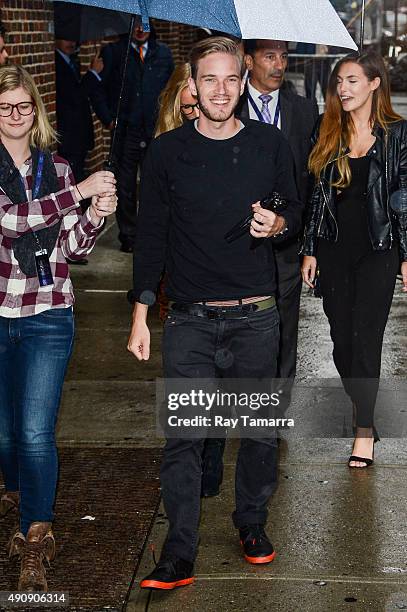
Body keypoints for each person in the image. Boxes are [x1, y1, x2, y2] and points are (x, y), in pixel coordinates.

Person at [128, 37, 302, 590]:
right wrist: (140, 313)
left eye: (231, 79)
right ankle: (179, 552)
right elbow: (150, 236)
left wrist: (276, 226)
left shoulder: (270, 145)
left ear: (241, 81)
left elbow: (294, 209)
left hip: (256, 315)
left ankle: (251, 522)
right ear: (193, 86)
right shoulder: (166, 153)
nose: (221, 90)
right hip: (190, 320)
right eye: (210, 80)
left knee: (257, 432)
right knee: (184, 436)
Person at [0, 64, 116, 591]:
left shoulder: (61, 169)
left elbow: (72, 248)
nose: (16, 115)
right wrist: (80, 194)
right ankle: (16, 491)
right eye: (5, 106)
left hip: (48, 313)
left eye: (24, 105)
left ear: (37, 112)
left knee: (34, 432)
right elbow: (12, 220)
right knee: (5, 434)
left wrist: (97, 213)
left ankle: (34, 537)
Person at [301, 51, 407, 468]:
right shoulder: (327, 129)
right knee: (342, 344)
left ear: (374, 84)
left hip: (378, 250)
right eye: (338, 82)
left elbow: (403, 198)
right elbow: (315, 196)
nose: (342, 89)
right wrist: (309, 246)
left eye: (351, 80)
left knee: (367, 341)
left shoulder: (398, 134)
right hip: (334, 249)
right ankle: (362, 405)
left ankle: (364, 429)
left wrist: (406, 254)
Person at [238, 39, 319, 410]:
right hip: (239, 240)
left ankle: (277, 403)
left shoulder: (303, 110)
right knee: (243, 321)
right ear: (248, 60)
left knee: (286, 321)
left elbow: (312, 179)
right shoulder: (229, 107)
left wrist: (309, 244)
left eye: (284, 56)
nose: (279, 64)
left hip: (288, 236)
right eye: (270, 56)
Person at [88, 17, 174, 253]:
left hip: (155, 131)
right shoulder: (115, 52)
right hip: (126, 131)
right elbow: (95, 87)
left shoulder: (163, 54)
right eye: (135, 24)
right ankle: (129, 236)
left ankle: (152, 232)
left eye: (144, 24)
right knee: (125, 185)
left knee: (154, 184)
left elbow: (172, 91)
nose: (139, 29)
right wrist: (108, 118)